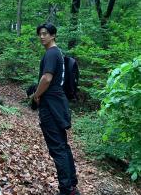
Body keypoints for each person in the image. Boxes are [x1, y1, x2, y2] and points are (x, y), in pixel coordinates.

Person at [33, 23, 80, 195]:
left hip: (51, 105)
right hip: (59, 103)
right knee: (63, 146)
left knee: (58, 148)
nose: (42, 37)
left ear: (53, 35)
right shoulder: (58, 52)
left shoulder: (51, 53)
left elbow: (46, 78)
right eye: (40, 34)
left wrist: (36, 95)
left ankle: (66, 189)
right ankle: (72, 186)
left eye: (45, 33)